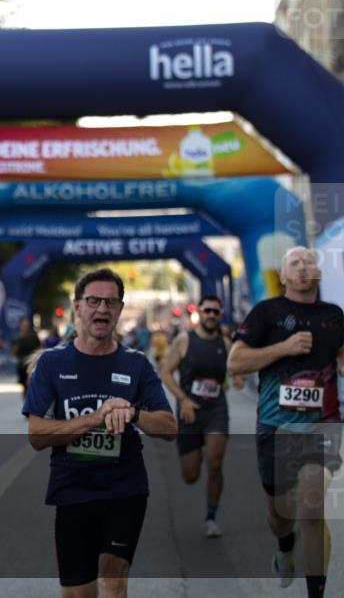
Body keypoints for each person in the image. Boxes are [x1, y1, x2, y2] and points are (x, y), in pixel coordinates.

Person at [23, 268, 176, 598]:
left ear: (120, 310)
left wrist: (133, 412)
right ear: (77, 307)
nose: (102, 309)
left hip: (125, 487)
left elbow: (168, 426)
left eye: (110, 302)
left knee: (112, 577)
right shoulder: (51, 363)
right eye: (93, 301)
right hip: (73, 488)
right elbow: (36, 435)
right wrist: (95, 418)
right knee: (78, 594)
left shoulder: (137, 364)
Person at [227, 246, 343, 598]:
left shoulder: (335, 316)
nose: (304, 266)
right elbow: (236, 362)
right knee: (280, 515)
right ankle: (284, 543)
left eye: (309, 261)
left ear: (318, 273)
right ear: (284, 275)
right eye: (295, 262)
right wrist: (285, 348)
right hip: (276, 428)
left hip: (322, 425)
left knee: (311, 507)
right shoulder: (267, 312)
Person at [158, 294, 231, 538]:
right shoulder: (184, 340)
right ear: (199, 312)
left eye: (215, 312)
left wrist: (236, 379)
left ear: (220, 315)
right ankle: (196, 451)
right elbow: (166, 372)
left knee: (215, 461)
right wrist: (183, 399)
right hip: (189, 411)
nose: (211, 315)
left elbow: (237, 369)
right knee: (190, 475)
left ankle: (211, 516)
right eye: (207, 311)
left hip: (216, 411)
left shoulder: (226, 343)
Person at [14, 316, 41, 395]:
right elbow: (14, 353)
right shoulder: (17, 338)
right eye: (24, 325)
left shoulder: (33, 337)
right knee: (25, 387)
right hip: (22, 365)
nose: (25, 327)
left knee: (31, 384)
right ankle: (26, 404)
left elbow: (39, 348)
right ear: (20, 325)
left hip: (32, 364)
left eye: (27, 325)